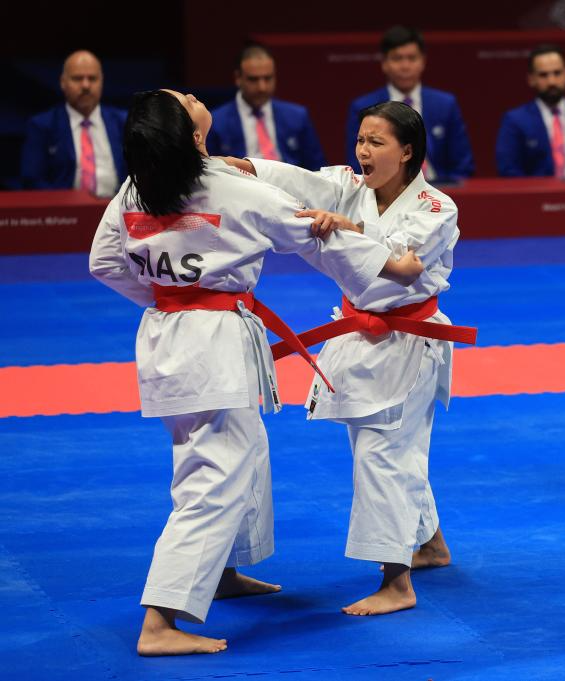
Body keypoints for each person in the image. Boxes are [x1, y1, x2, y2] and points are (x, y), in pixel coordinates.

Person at [89, 89, 421, 655]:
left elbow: (103, 262)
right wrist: (391, 264)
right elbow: (314, 232)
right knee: (214, 477)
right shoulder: (230, 189)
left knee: (238, 449)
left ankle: (222, 572)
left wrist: (172, 294)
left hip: (164, 337)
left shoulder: (134, 189)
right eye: (184, 99)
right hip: (212, 343)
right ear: (194, 134)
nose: (192, 93)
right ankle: (160, 619)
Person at [226, 100, 472, 616]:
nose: (363, 150)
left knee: (383, 453)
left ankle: (397, 582)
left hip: (410, 341)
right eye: (360, 139)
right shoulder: (348, 186)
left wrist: (347, 230)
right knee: (389, 445)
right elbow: (295, 180)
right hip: (361, 334)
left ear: (406, 152)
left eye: (376, 142)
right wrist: (242, 168)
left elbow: (402, 262)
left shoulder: (437, 207)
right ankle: (430, 544)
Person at [345, 25, 474, 182]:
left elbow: (463, 166)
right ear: (384, 63)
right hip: (385, 190)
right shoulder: (363, 107)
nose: (405, 66)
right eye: (397, 58)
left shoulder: (446, 104)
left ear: (423, 62)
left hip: (439, 188)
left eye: (412, 58)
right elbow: (358, 164)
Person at [495, 43, 565, 178]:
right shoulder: (515, 121)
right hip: (533, 190)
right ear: (531, 79)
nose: (551, 82)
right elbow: (509, 169)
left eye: (557, 73)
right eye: (543, 75)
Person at [20, 50, 127, 196]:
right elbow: (32, 182)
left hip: (118, 206)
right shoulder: (42, 126)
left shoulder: (124, 122)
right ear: (63, 82)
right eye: (77, 78)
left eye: (92, 78)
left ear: (102, 81)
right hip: (64, 208)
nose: (86, 85)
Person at [206, 44, 327, 170]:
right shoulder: (215, 122)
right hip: (241, 181)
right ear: (238, 78)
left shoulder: (297, 116)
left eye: (268, 78)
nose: (262, 87)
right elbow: (210, 171)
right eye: (253, 79)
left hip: (288, 181)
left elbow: (317, 168)